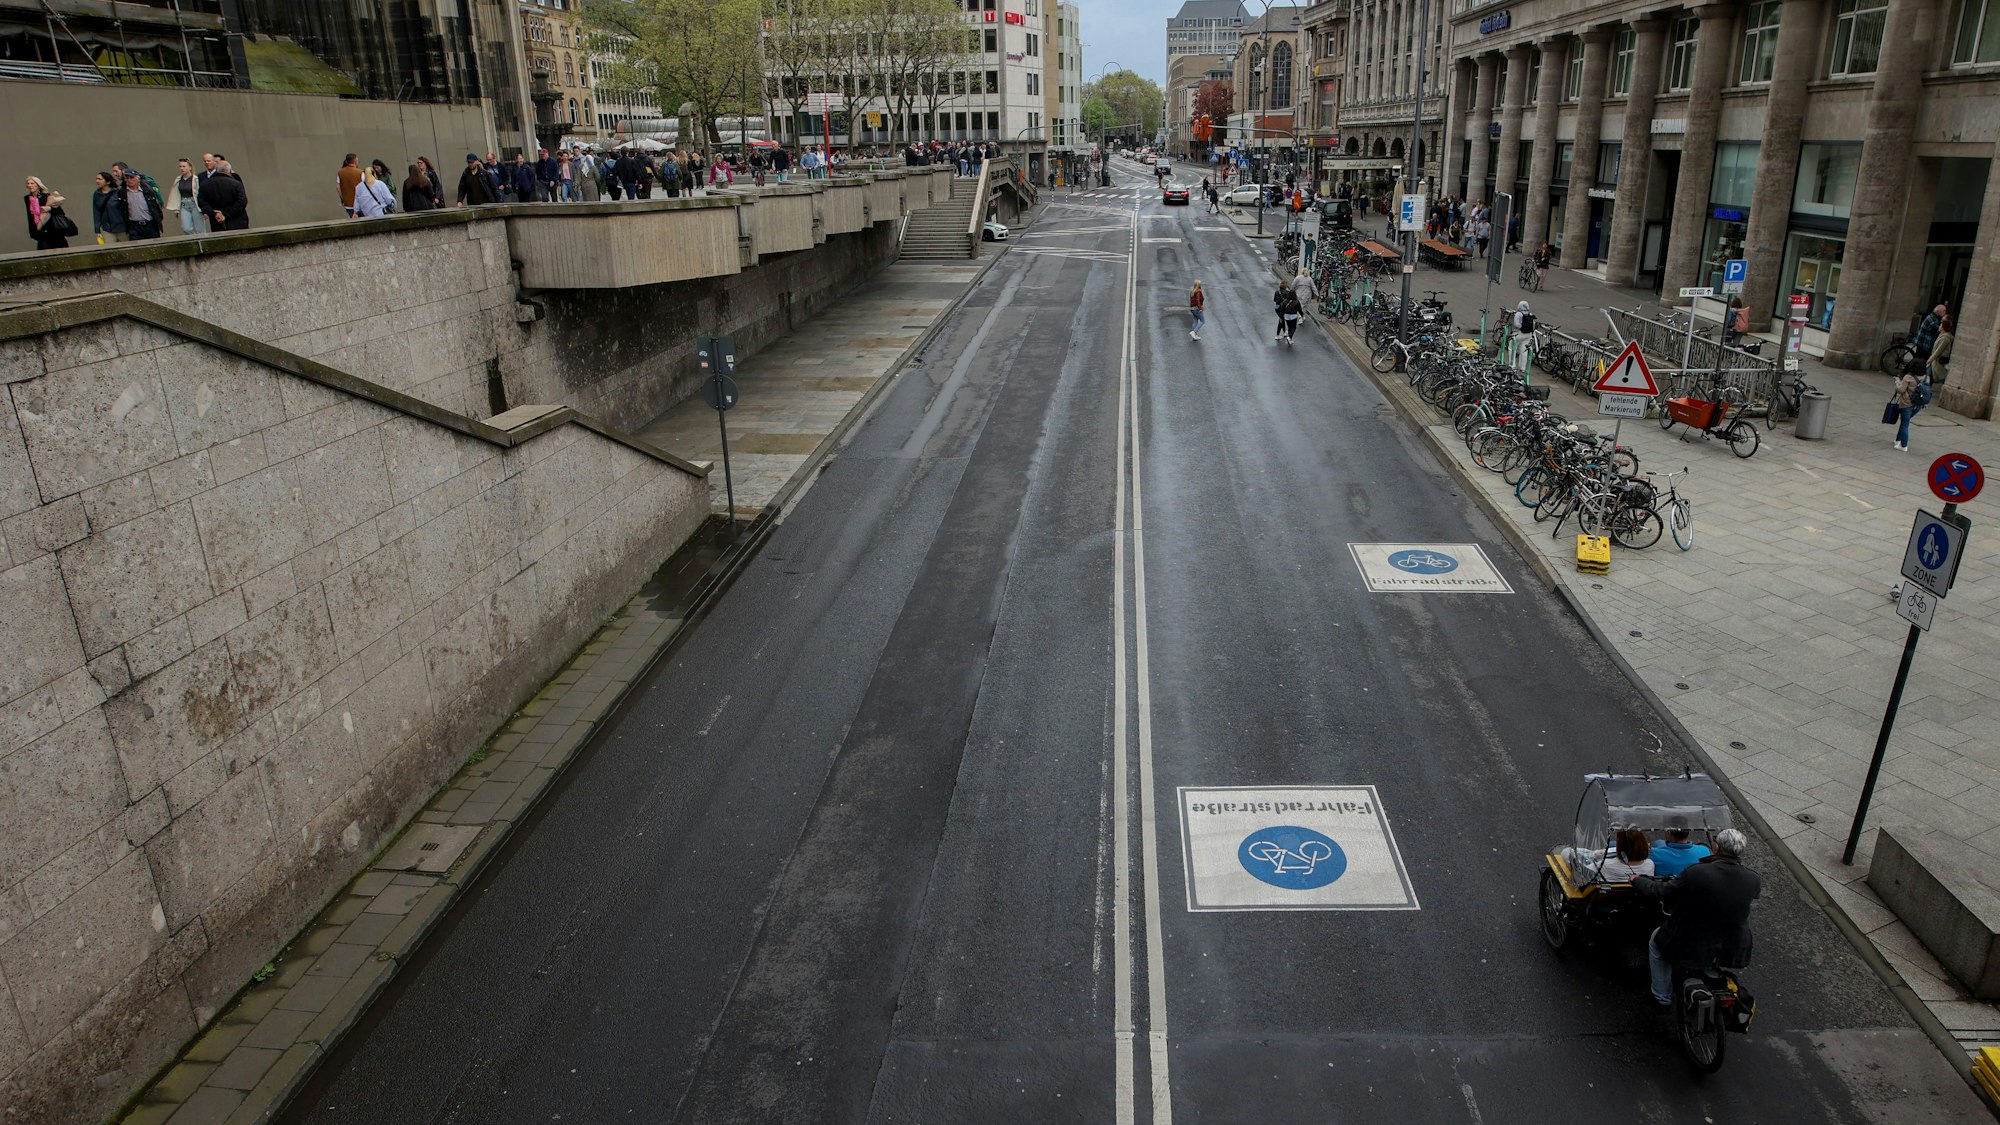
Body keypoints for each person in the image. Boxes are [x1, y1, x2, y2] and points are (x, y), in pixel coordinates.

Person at [1633, 828, 1760, 1007]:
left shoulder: (1696, 872)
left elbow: (1660, 891)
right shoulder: (1754, 879)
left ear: (1716, 848)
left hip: (1692, 940)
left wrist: (1638, 880)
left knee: (1656, 942)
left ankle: (1662, 997)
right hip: (1734, 945)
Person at [1562, 827, 1655, 883]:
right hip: (1630, 900)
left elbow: (1584, 872)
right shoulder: (1650, 865)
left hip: (1603, 898)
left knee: (1566, 852)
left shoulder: (1606, 865)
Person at [1892, 356, 1930, 452]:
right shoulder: (1926, 377)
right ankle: (1898, 440)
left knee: (1905, 423)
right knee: (1905, 422)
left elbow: (1901, 390)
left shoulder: (1908, 377)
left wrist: (1897, 383)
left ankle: (1904, 445)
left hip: (1907, 403)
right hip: (1918, 405)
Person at [23, 177, 71, 250]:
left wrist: (49, 209)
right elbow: (30, 216)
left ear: (38, 185)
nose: (30, 185)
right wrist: (33, 231)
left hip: (53, 230)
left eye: (32, 183)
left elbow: (60, 212)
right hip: (41, 231)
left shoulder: (46, 196)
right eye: (28, 183)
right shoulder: (27, 198)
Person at [198, 163, 249, 230]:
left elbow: (201, 202)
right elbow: (242, 201)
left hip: (217, 223)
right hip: (238, 221)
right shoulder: (236, 184)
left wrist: (214, 213)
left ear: (216, 170)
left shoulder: (204, 185)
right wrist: (226, 214)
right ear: (229, 170)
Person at [117, 169, 165, 240]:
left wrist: (159, 218)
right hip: (134, 226)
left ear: (137, 178)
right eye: (127, 178)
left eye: (131, 177)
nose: (129, 180)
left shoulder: (147, 190)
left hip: (150, 224)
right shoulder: (123, 192)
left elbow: (155, 205)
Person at [165, 158, 205, 236]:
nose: (182, 168)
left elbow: (200, 193)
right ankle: (193, 241)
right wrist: (176, 209)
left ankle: (201, 244)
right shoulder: (179, 179)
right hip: (184, 204)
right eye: (180, 166)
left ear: (190, 167)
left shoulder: (195, 179)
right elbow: (176, 195)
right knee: (186, 228)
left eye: (184, 166)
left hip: (195, 204)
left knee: (199, 228)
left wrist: (204, 209)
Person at [91, 172, 126, 244]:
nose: (97, 181)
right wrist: (97, 229)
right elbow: (96, 212)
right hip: (107, 228)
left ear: (108, 182)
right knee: (111, 250)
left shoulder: (117, 192)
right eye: (96, 179)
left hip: (121, 227)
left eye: (100, 179)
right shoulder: (97, 194)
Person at [1510, 300, 1536, 373]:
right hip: (1528, 335)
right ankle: (1523, 368)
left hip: (1519, 334)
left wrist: (1521, 327)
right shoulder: (1530, 314)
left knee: (1512, 348)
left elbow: (1516, 324)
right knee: (1524, 351)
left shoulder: (1519, 314)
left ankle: (1512, 365)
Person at [1929, 314, 1955, 388]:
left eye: (1941, 324)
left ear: (1943, 327)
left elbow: (1938, 351)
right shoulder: (1942, 335)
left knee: (1941, 376)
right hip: (1936, 361)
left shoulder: (1945, 338)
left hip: (1939, 361)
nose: (1939, 325)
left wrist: (1929, 360)